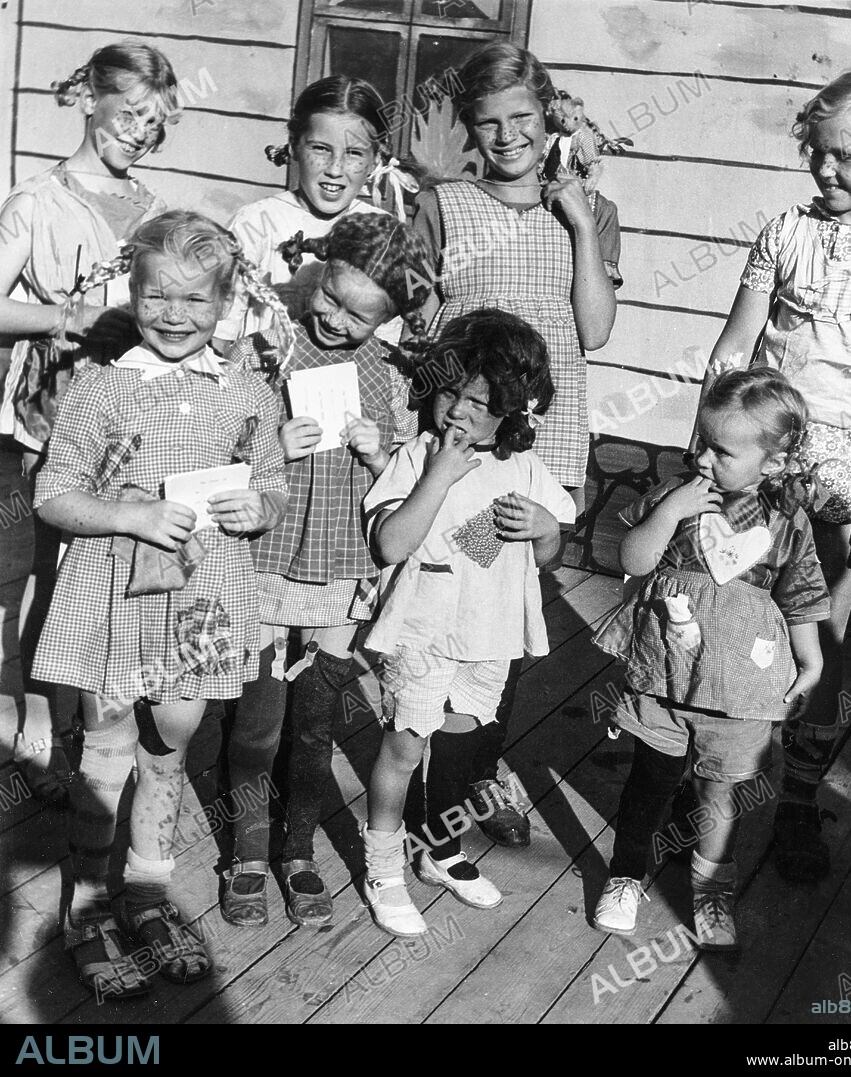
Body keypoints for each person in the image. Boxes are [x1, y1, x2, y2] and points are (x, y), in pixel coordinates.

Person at [29, 210, 289, 1000]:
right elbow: (52, 495)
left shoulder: (247, 392)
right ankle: (88, 904)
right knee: (106, 744)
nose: (175, 316)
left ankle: (147, 888)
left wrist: (261, 509)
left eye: (195, 301)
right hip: (111, 594)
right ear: (132, 290)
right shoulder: (100, 389)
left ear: (227, 300)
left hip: (200, 600)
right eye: (157, 296)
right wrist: (129, 514)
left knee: (171, 739)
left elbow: (272, 481)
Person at [698, 70, 851, 884]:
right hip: (767, 454)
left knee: (819, 640)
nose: (826, 171)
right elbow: (736, 347)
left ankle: (796, 802)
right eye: (817, 155)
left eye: (847, 156)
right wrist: (713, 444)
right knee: (727, 608)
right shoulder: (785, 233)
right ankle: (700, 764)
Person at [409, 42, 621, 848]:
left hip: (548, 432)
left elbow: (595, 329)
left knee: (512, 605)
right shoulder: (446, 204)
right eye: (489, 123)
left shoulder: (588, 211)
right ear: (470, 129)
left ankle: (477, 770)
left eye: (523, 119)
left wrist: (575, 219)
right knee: (442, 596)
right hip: (463, 431)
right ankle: (420, 755)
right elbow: (418, 321)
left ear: (550, 119)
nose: (507, 137)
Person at [222, 213, 430, 930]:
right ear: (321, 272)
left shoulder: (395, 377)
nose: (336, 319)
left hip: (341, 565)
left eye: (360, 314)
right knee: (256, 721)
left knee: (314, 723)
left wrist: (380, 456)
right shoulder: (271, 349)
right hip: (266, 556)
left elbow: (400, 486)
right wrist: (268, 444)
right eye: (331, 298)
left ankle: (297, 849)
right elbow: (220, 443)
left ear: (392, 317)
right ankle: (248, 851)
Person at [592, 369, 829, 949]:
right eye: (701, 442)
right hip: (666, 671)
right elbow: (635, 558)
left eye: (722, 452)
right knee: (649, 779)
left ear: (771, 464)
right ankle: (625, 875)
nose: (703, 459)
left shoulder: (786, 524)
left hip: (741, 685)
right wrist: (669, 512)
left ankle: (712, 889)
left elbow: (799, 594)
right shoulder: (678, 498)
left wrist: (812, 662)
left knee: (720, 792)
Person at [0, 41, 179, 805]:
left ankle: (95, 724)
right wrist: (59, 316)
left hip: (134, 425)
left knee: (100, 574)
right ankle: (35, 724)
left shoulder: (154, 207)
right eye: (131, 113)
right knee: (41, 574)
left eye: (155, 122)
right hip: (56, 417)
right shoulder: (37, 201)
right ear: (88, 99)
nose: (139, 132)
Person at [360, 308, 576, 937]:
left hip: (488, 627)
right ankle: (382, 865)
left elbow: (533, 555)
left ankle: (440, 849)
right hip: (424, 627)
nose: (457, 412)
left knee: (458, 741)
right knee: (406, 744)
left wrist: (546, 532)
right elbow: (393, 546)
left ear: (514, 410)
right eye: (450, 393)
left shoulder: (524, 468)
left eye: (479, 403)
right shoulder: (416, 456)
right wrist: (437, 476)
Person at [213, 75, 414, 348]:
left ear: (376, 159)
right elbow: (221, 332)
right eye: (320, 149)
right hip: (258, 376)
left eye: (354, 153)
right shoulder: (256, 223)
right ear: (294, 144)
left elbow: (387, 341)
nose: (334, 168)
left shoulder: (383, 234)